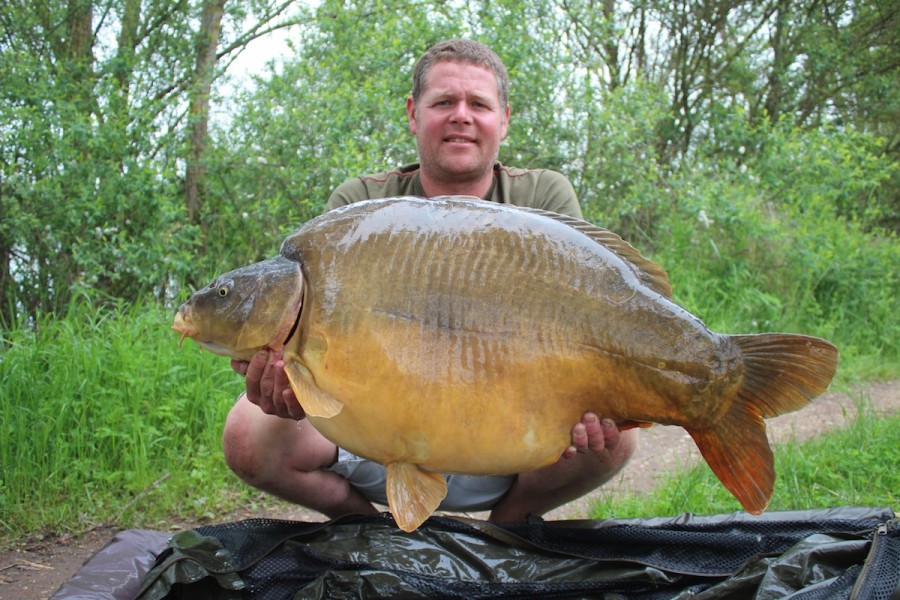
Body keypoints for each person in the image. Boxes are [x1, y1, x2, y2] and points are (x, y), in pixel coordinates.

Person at [223, 39, 637, 523]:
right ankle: (369, 530)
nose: (461, 116)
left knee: (617, 436)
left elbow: (585, 322)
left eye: (478, 104)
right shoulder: (359, 208)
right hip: (376, 435)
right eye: (443, 102)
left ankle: (510, 526)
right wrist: (294, 386)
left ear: (503, 118)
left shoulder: (543, 196)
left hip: (509, 443)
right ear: (413, 113)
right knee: (247, 435)